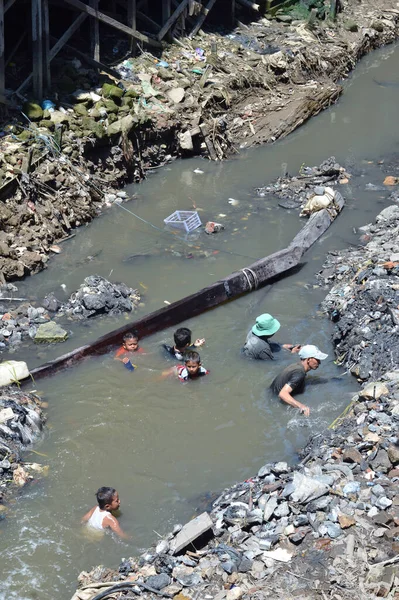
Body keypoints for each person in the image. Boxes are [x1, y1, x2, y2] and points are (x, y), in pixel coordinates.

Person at [270, 345, 328, 416]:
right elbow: (283, 394)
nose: (319, 363)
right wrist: (301, 406)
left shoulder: (297, 366)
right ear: (309, 359)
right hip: (275, 402)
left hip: (271, 395)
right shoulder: (299, 373)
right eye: (317, 359)